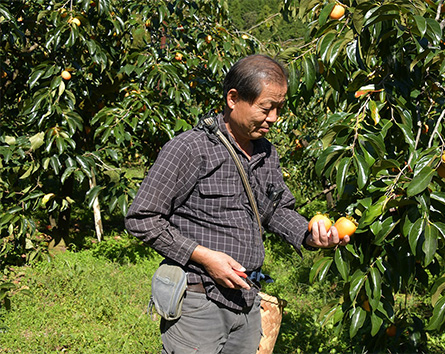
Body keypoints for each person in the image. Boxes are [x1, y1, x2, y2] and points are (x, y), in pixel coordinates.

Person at [125, 54, 350, 354]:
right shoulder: (189, 149)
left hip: (246, 301)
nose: (273, 119)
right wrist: (205, 258)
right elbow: (142, 217)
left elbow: (277, 210)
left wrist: (311, 235)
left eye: (278, 109)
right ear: (233, 99)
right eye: (266, 108)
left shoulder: (266, 153)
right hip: (199, 300)